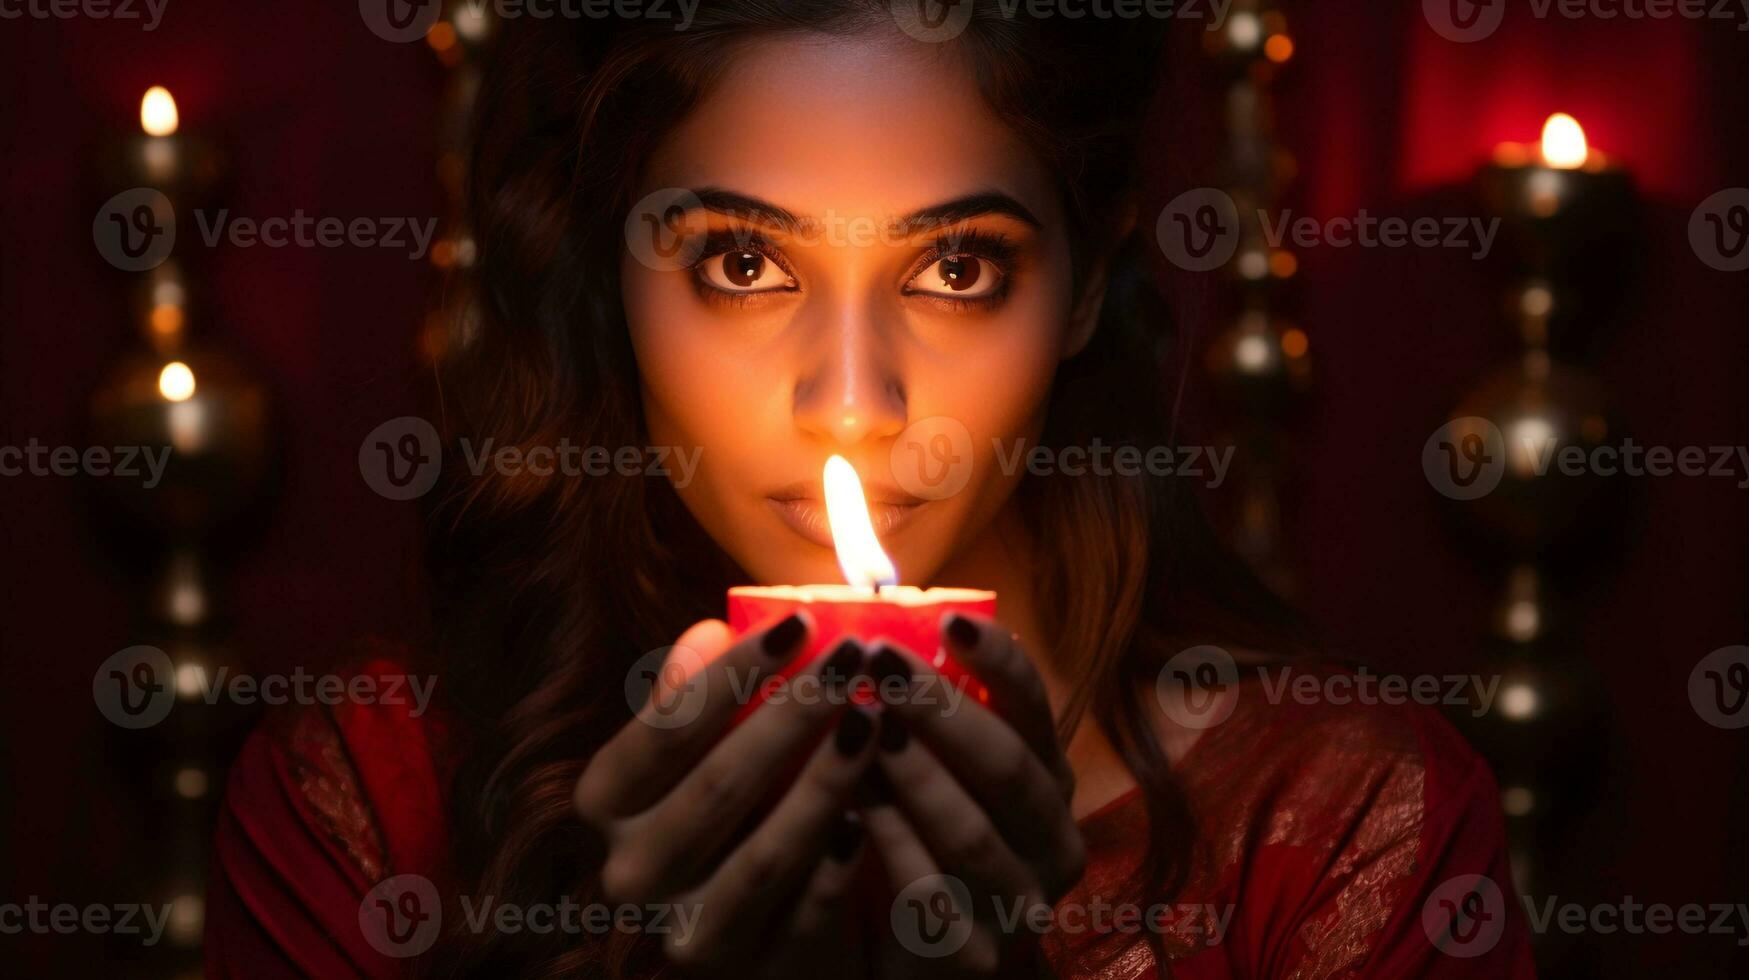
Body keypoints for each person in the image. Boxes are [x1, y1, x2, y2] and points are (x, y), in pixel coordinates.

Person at [207, 4, 1536, 976]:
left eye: (957, 268)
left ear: (1083, 286)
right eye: (739, 264)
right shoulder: (373, 808)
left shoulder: (1344, 837)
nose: (851, 402)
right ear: (608, 275)